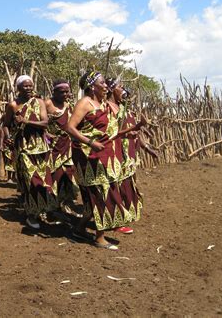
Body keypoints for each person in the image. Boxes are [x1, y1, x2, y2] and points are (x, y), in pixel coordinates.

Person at [66, 71, 145, 250]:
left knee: (98, 194)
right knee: (101, 194)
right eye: (102, 83)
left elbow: (111, 133)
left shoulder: (103, 104)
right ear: (92, 85)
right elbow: (70, 127)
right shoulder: (85, 103)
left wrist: (131, 131)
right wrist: (90, 142)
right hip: (89, 158)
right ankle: (99, 238)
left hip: (107, 156)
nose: (105, 86)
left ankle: (79, 228)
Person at [1, 75, 58, 229]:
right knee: (31, 181)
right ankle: (31, 215)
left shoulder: (39, 102)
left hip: (41, 148)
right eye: (25, 86)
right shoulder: (13, 105)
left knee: (45, 181)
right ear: (18, 88)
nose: (28, 88)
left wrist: (27, 121)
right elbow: (5, 124)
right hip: (24, 149)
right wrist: (7, 137)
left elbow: (45, 123)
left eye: (30, 85)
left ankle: (43, 211)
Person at [106, 78, 157, 234]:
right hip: (116, 151)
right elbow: (110, 132)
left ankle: (125, 214)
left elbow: (134, 131)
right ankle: (116, 221)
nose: (124, 90)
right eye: (120, 87)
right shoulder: (107, 108)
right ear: (111, 89)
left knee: (129, 182)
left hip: (130, 152)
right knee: (118, 184)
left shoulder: (124, 108)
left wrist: (146, 146)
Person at [44, 79, 80, 216]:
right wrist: (46, 134)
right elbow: (39, 122)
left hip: (68, 145)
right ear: (54, 92)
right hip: (53, 146)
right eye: (62, 92)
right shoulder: (47, 103)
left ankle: (66, 204)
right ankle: (51, 207)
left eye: (67, 92)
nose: (65, 94)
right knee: (54, 176)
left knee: (68, 175)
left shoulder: (69, 105)